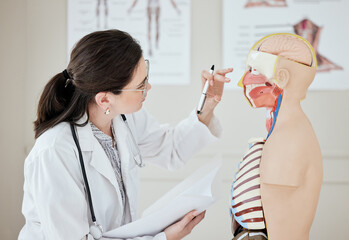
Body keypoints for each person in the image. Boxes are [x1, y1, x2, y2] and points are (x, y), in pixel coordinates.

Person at [18, 29, 232, 240]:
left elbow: (171, 150)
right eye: (140, 86)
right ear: (104, 100)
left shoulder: (124, 118)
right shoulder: (54, 151)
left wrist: (208, 104)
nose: (149, 87)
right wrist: (164, 238)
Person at [230, 33, 322, 240]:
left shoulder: (288, 139)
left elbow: (283, 226)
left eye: (254, 71)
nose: (244, 81)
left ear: (282, 77)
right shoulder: (287, 132)